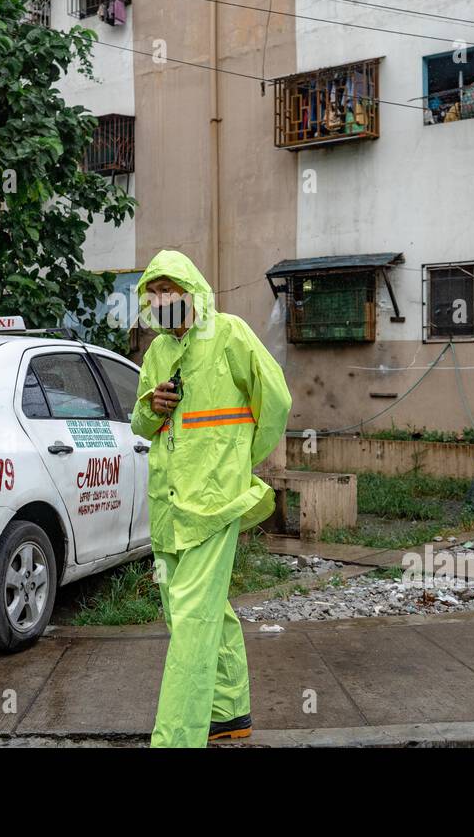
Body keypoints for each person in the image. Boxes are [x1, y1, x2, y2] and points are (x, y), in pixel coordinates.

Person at [129, 249, 292, 747]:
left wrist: (240, 459)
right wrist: (151, 406)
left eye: (169, 292)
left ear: (192, 291)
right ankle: (228, 712)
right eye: (153, 295)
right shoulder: (157, 352)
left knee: (192, 621)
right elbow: (139, 424)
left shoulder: (229, 335)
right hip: (169, 505)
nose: (162, 303)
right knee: (200, 613)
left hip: (214, 503)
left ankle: (177, 739)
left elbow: (277, 400)